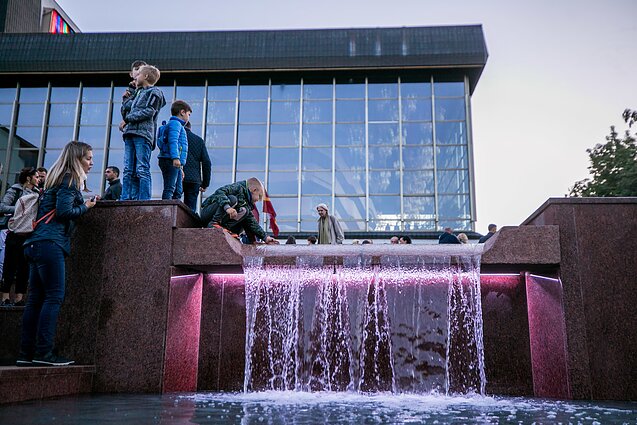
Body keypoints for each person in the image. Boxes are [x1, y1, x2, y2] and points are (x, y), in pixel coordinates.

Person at [18, 141, 98, 366]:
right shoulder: (71, 179)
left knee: (35, 301)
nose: (91, 163)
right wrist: (87, 206)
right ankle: (44, 353)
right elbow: (65, 212)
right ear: (77, 158)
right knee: (53, 297)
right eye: (88, 158)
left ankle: (25, 354)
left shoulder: (54, 178)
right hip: (51, 244)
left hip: (35, 244)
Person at [119, 64, 166, 200]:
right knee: (128, 169)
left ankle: (144, 200)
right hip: (130, 133)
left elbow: (149, 111)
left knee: (141, 168)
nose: (136, 77)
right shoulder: (137, 92)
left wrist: (127, 119)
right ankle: (126, 198)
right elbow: (125, 109)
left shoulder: (155, 92)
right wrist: (126, 97)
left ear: (145, 76)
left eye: (138, 74)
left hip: (143, 135)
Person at [0, 167, 39, 307]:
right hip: (15, 232)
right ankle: (5, 296)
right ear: (28, 178)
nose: (38, 179)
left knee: (24, 267)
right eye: (36, 177)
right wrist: (20, 209)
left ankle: (19, 297)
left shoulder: (37, 193)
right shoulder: (15, 190)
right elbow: (2, 207)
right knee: (10, 265)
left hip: (29, 233)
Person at [200, 177, 276, 244]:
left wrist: (265, 237)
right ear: (254, 190)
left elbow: (251, 222)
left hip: (221, 220)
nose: (258, 200)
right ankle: (214, 224)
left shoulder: (246, 202)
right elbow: (220, 192)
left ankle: (225, 228)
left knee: (245, 211)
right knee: (232, 199)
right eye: (259, 196)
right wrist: (227, 207)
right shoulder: (238, 187)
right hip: (207, 214)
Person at [158, 100, 190, 200]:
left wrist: (180, 167)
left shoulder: (178, 125)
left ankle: (175, 212)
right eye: (188, 114)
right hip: (169, 159)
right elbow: (173, 141)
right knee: (170, 188)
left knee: (178, 190)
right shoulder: (175, 124)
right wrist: (175, 157)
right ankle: (165, 212)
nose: (188, 117)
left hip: (175, 162)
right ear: (182, 112)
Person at [182, 121, 211, 212]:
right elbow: (207, 162)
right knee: (190, 210)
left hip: (178, 174)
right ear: (190, 128)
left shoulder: (176, 137)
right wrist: (205, 183)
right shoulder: (199, 140)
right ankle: (188, 225)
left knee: (173, 203)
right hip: (194, 179)